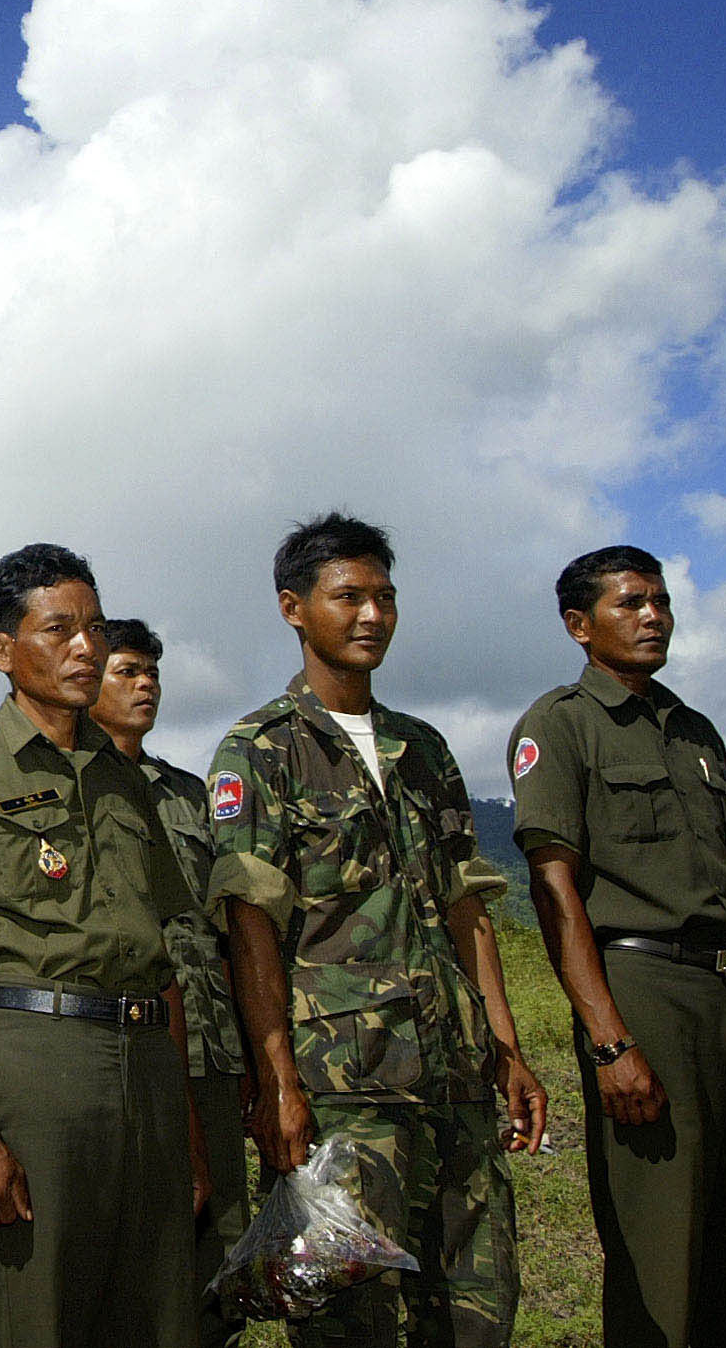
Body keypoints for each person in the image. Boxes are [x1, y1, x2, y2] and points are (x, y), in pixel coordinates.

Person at [209, 513, 544, 1348]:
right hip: (344, 1091)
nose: (371, 615)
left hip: (457, 1082)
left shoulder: (422, 748)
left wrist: (504, 1045)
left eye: (385, 597)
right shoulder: (260, 750)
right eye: (348, 596)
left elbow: (467, 908)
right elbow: (252, 928)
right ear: (294, 608)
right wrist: (278, 1080)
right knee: (346, 1321)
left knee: (477, 1310)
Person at [509, 545, 726, 1348]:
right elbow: (555, 891)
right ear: (579, 626)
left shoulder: (695, 731)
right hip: (645, 989)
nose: (653, 616)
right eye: (630, 604)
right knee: (661, 1249)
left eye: (661, 601)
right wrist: (611, 1042)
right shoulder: (561, 725)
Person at [0, 543, 205, 1348]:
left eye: (96, 629)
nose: (87, 648)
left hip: (146, 1060)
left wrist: (184, 1126)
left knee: (159, 1314)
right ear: (3, 651)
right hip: (39, 1059)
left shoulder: (125, 777)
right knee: (43, 1314)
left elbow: (164, 960)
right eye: (60, 629)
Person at [89, 617, 249, 1348]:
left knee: (218, 1248)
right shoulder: (73, 787)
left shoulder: (188, 794)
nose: (146, 683)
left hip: (210, 1053)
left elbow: (226, 932)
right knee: (123, 1251)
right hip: (121, 1048)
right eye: (127, 670)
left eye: (152, 670)